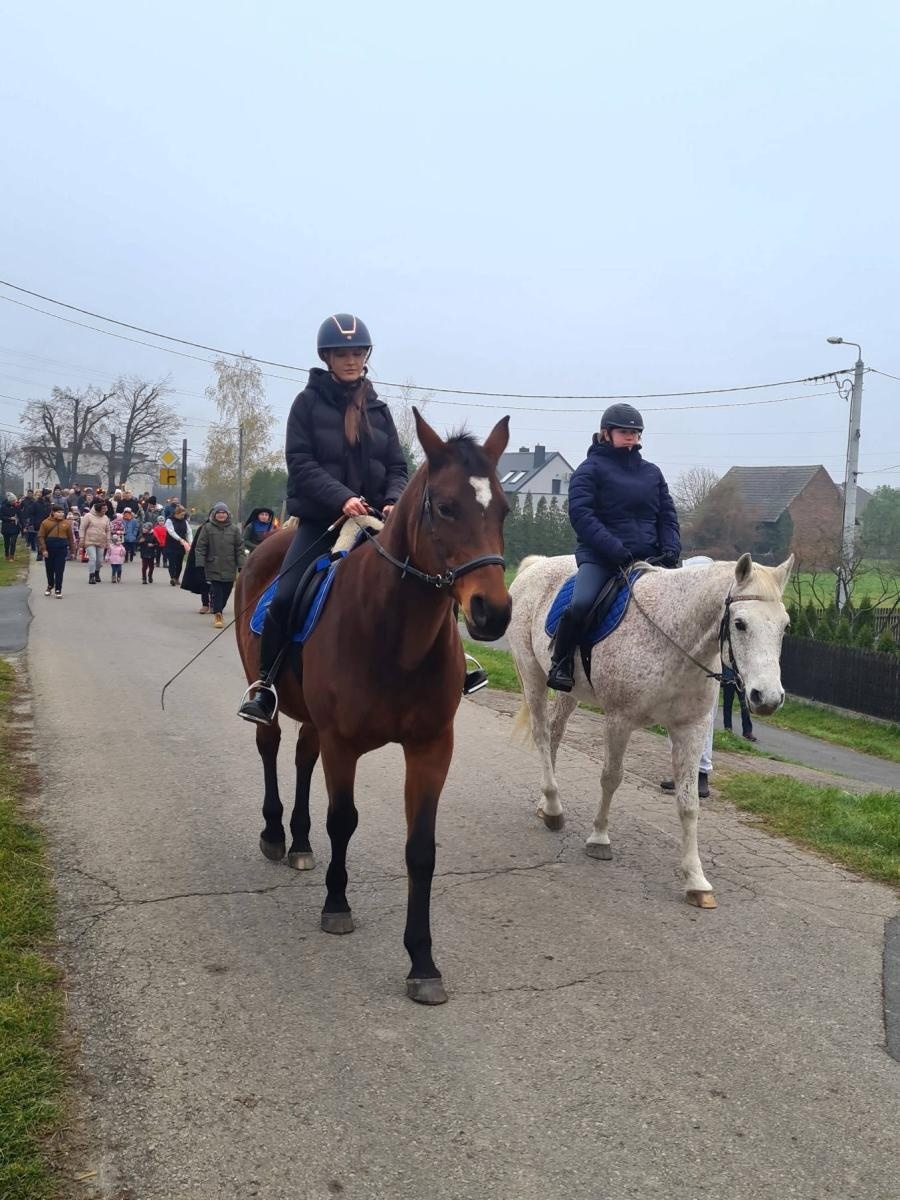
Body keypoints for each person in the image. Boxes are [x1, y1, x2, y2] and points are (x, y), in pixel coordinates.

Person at [238, 312, 408, 723]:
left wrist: (392, 499)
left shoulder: (380, 411)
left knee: (426, 583)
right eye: (341, 354)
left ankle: (451, 667)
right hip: (322, 523)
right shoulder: (306, 404)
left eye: (356, 353)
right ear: (327, 357)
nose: (350, 360)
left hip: (375, 524)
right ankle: (265, 685)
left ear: (365, 356)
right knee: (284, 597)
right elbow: (301, 463)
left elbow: (398, 467)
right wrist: (343, 498)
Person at [547, 403, 681, 692]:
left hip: (650, 557)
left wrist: (671, 547)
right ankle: (561, 662)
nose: (631, 438)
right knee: (581, 604)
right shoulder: (589, 470)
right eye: (624, 432)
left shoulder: (652, 473)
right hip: (602, 558)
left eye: (635, 433)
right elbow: (582, 516)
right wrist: (615, 550)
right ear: (606, 434)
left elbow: (667, 515)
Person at [193, 502, 243, 629]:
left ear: (228, 515)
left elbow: (239, 548)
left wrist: (241, 564)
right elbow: (200, 547)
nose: (221, 515)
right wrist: (200, 563)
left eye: (224, 513)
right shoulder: (208, 528)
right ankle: (218, 614)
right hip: (213, 565)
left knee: (226, 591)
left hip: (229, 565)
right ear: (214, 515)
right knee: (217, 591)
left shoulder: (234, 529)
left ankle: (220, 607)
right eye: (219, 513)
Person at [37, 501, 75, 597]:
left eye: (62, 512)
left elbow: (71, 538)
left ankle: (58, 589)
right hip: (49, 549)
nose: (61, 514)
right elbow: (41, 536)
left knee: (59, 570)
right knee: (49, 570)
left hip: (62, 549)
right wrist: (44, 550)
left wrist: (73, 551)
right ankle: (50, 585)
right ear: (53, 513)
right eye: (58, 512)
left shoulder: (66, 523)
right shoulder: (45, 522)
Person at [181, 510, 212, 613]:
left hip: (220, 561)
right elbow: (197, 546)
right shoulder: (203, 528)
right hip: (204, 559)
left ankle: (215, 604)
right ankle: (205, 604)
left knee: (216, 584)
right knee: (204, 583)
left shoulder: (228, 528)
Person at [79, 496, 112, 583]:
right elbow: (82, 528)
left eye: (106, 509)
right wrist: (82, 538)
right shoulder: (88, 516)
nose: (105, 510)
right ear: (98, 509)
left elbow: (108, 530)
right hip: (90, 541)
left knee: (99, 560)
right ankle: (91, 576)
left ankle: (97, 572)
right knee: (93, 558)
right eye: (104, 509)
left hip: (101, 541)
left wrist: (108, 541)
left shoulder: (105, 518)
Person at [722, 664, 756, 741]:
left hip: (741, 679)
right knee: (727, 705)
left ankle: (747, 731)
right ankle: (728, 729)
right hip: (728, 678)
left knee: (745, 705)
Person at [164, 504, 191, 585]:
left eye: (184, 515)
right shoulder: (169, 520)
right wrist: (180, 539)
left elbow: (189, 532)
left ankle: (177, 577)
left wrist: (190, 541)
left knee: (179, 562)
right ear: (176, 513)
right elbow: (171, 532)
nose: (183, 516)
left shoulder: (185, 521)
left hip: (181, 545)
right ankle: (172, 577)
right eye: (181, 515)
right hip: (171, 544)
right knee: (172, 562)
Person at [1, 493, 20, 560]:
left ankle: (12, 555)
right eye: (13, 501)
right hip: (6, 527)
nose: (15, 502)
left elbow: (20, 515)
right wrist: (9, 518)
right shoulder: (3, 507)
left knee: (13, 542)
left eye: (15, 501)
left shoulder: (17, 507)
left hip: (15, 527)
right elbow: (1, 517)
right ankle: (7, 555)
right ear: (10, 501)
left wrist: (24, 525)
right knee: (7, 543)